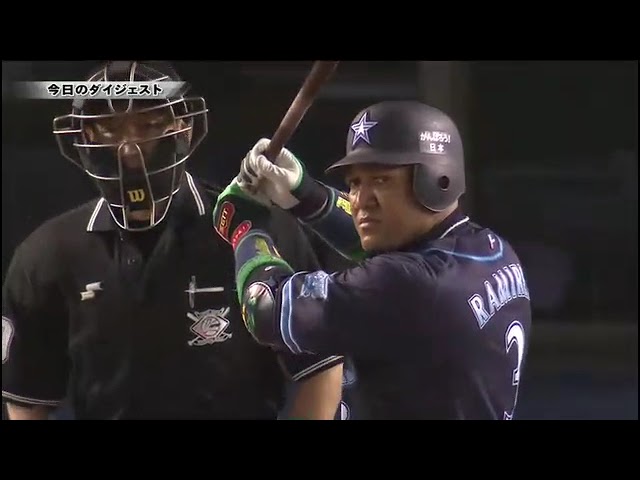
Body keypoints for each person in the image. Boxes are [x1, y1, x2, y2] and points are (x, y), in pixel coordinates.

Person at [1, 60, 344, 420]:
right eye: (109, 129)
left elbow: (320, 366)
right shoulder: (47, 254)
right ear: (83, 139)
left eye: (147, 125)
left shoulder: (256, 229)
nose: (128, 149)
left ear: (183, 128)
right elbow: (27, 400)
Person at [212, 100, 533, 420]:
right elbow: (388, 248)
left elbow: (265, 309)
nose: (361, 201)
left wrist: (246, 227)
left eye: (381, 180)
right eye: (355, 183)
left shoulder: (406, 284)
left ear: (437, 178)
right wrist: (304, 194)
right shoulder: (491, 250)